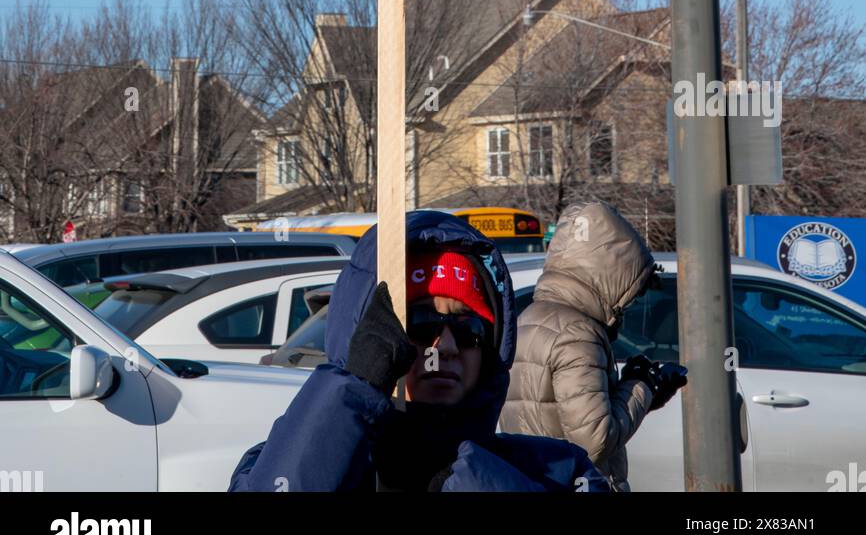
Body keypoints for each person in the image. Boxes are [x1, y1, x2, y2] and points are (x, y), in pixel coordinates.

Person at [229, 209, 611, 492]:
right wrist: (355, 387)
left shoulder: (557, 471)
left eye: (468, 330)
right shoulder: (271, 464)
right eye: (421, 325)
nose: (444, 347)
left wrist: (474, 482)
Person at [500, 199, 687, 492]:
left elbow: (560, 418)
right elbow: (594, 440)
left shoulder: (530, 319)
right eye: (631, 291)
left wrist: (647, 394)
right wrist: (641, 385)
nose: (628, 304)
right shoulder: (577, 334)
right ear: (610, 275)